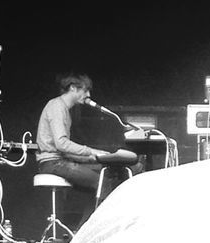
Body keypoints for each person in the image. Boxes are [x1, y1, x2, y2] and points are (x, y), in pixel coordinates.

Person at [36, 72, 141, 205]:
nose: (88, 95)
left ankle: (87, 224)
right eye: (85, 90)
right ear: (73, 88)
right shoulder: (57, 106)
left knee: (108, 173)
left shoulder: (63, 108)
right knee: (101, 182)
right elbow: (61, 144)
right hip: (52, 163)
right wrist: (92, 152)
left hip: (60, 161)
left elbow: (65, 151)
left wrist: (94, 158)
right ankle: (99, 224)